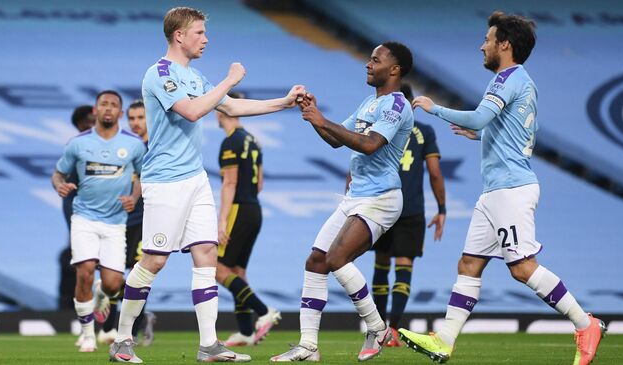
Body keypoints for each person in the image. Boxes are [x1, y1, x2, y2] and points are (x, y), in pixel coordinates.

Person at [398, 11, 605, 365]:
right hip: (496, 191)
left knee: (523, 268)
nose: (482, 46)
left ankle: (586, 325)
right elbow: (518, 131)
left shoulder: (508, 79)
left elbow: (480, 115)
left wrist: (436, 109)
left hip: (510, 190)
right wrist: (481, 133)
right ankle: (444, 340)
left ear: (504, 45)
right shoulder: (521, 82)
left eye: (488, 39)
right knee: (469, 263)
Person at [109, 7, 305, 363]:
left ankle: (209, 344)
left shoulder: (195, 75)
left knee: (206, 256)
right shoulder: (159, 74)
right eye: (199, 32)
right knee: (153, 261)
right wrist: (229, 79)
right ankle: (122, 339)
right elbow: (193, 111)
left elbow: (232, 108)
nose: (206, 39)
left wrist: (285, 102)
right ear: (179, 35)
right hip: (165, 182)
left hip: (195, 179)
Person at [271, 41, 414, 362]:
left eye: (375, 60)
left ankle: (377, 327)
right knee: (316, 262)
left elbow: (369, 144)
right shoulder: (369, 103)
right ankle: (308, 346)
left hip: (381, 197)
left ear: (394, 70)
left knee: (336, 258)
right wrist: (313, 116)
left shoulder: (397, 105)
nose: (368, 64)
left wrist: (322, 120)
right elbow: (337, 140)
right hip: (357, 196)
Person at [52, 90, 146, 353]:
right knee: (84, 269)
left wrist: (134, 197)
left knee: (113, 283)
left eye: (114, 105)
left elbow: (141, 175)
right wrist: (60, 185)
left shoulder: (133, 144)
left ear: (119, 112)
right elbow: (58, 173)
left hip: (116, 222)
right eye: (103, 104)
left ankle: (103, 294)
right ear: (95, 110)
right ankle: (88, 334)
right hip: (84, 218)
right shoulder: (78, 143)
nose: (108, 109)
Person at [370, 83, 446, 347]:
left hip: (382, 203)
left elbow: (361, 158)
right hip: (411, 209)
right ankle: (393, 330)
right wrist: (442, 209)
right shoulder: (424, 132)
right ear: (413, 103)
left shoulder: (381, 127)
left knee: (381, 266)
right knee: (404, 268)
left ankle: (377, 330)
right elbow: (435, 173)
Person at [216, 92, 281, 347]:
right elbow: (261, 183)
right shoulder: (254, 141)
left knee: (216, 269)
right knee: (238, 272)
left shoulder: (231, 142)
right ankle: (245, 332)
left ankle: (264, 312)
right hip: (255, 209)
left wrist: (222, 220)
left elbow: (229, 182)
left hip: (239, 209)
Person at [98, 100, 157, 347]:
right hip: (120, 220)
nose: (135, 123)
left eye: (140, 118)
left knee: (136, 273)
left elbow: (145, 180)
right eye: (131, 118)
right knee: (113, 273)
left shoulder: (154, 146)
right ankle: (133, 322)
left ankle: (123, 329)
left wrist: (135, 197)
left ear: (149, 119)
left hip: (145, 219)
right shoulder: (125, 147)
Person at [59, 105, 96, 311]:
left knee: (114, 273)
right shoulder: (75, 150)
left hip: (112, 221)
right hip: (82, 220)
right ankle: (68, 314)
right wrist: (73, 224)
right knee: (78, 265)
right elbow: (67, 193)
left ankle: (133, 318)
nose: (93, 125)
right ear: (79, 125)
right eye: (89, 121)